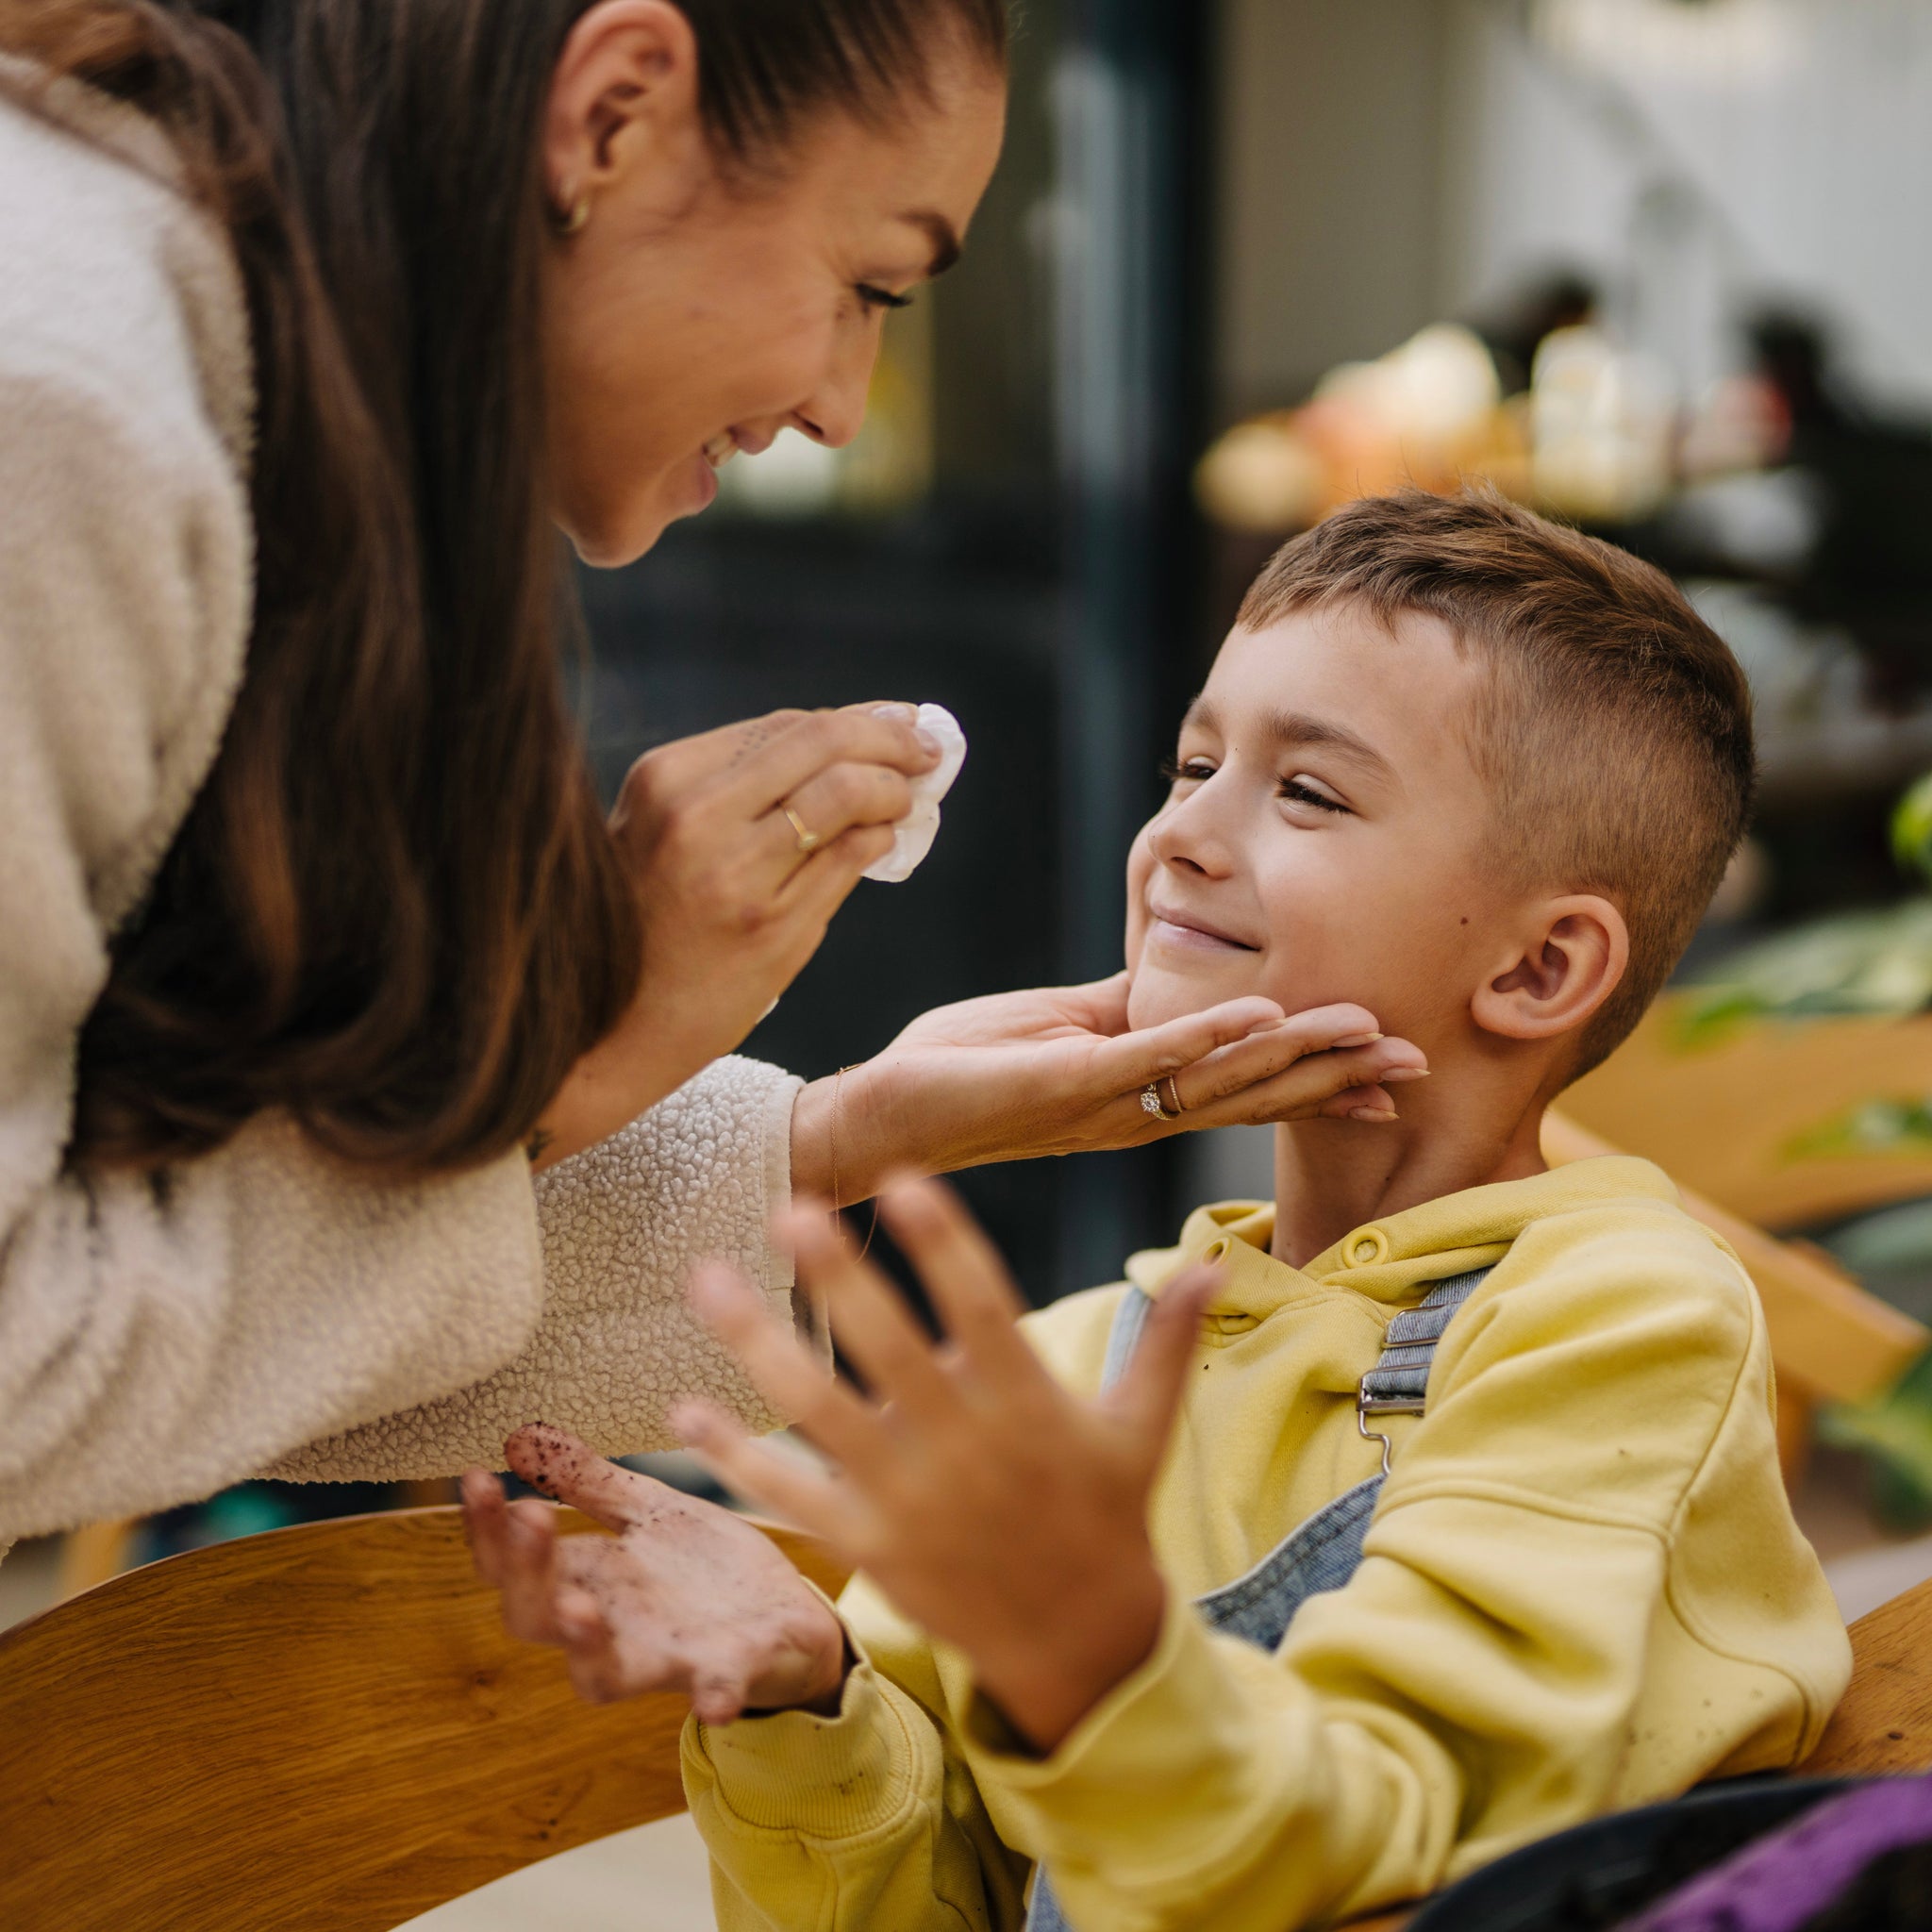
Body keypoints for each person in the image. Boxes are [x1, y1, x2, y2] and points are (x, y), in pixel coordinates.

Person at [0, 0, 1426, 1550]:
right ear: (615, 114)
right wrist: (588, 1041)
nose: (838, 405)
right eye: (869, 282)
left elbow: (155, 1301)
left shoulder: (234, 401)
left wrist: (844, 1135)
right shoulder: (63, 415)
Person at [464, 491, 1854, 1931]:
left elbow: (1376, 1841)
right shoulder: (1065, 1371)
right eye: (1193, 763)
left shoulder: (1616, 1317)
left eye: (1305, 790)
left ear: (1542, 967)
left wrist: (1101, 1669)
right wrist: (801, 1700)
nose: (1182, 833)